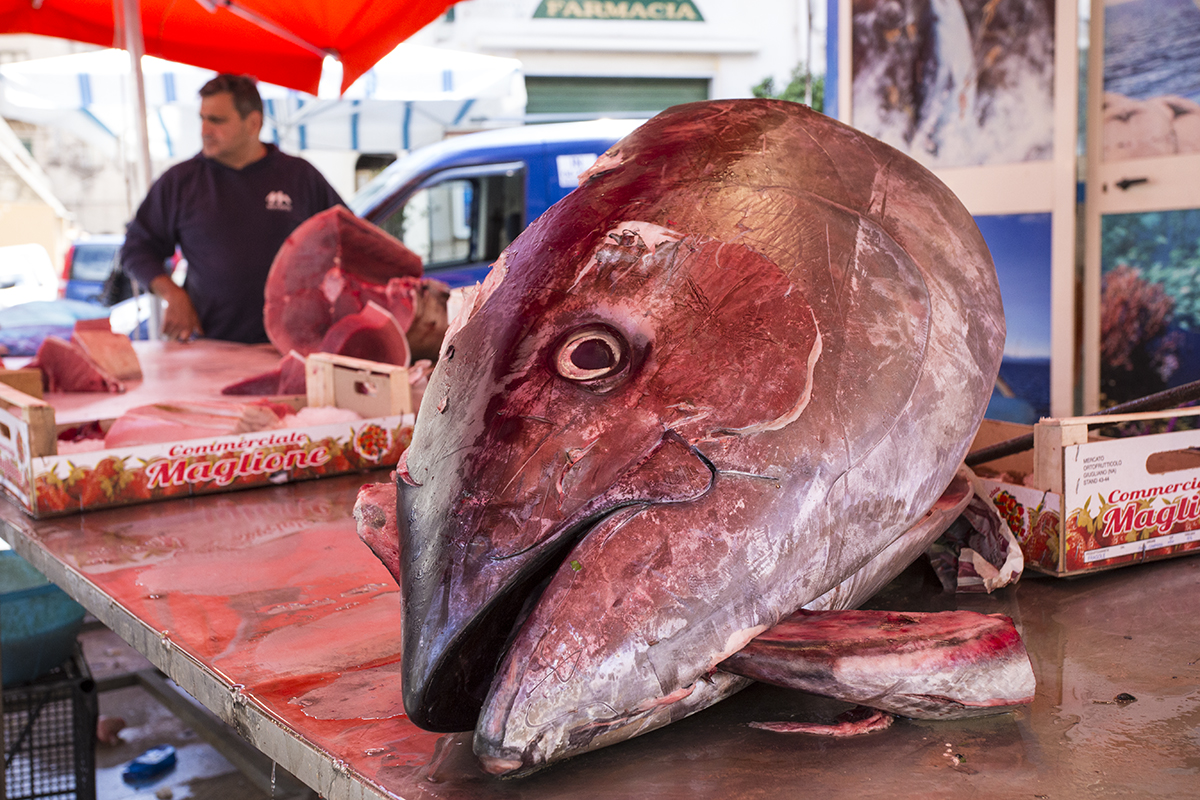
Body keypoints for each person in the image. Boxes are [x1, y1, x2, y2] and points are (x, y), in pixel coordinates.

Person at [120, 74, 344, 343]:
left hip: (291, 347)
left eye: (216, 120)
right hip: (210, 347)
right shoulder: (180, 182)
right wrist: (172, 293)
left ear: (253, 123)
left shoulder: (300, 177)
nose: (204, 129)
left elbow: (349, 240)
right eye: (202, 118)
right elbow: (136, 248)